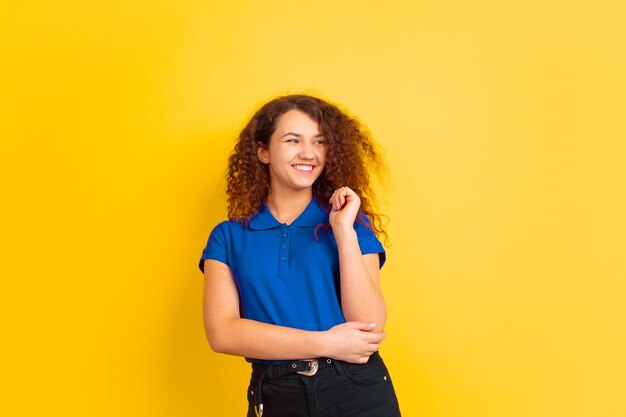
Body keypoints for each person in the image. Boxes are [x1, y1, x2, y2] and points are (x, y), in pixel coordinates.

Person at [199, 94, 401, 417]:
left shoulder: (349, 224)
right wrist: (326, 343)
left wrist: (343, 231)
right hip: (277, 394)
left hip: (356, 390)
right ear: (263, 151)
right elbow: (222, 333)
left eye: (319, 142)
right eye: (293, 140)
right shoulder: (228, 236)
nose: (308, 153)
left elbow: (369, 325)